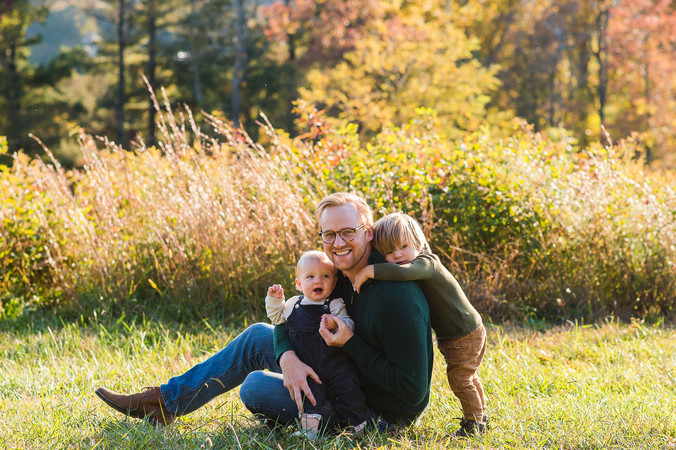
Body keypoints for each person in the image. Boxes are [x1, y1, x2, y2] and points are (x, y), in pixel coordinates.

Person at [95, 192, 433, 435]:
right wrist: (288, 357)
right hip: (336, 373)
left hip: (376, 414)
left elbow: (413, 394)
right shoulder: (341, 276)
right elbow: (293, 317)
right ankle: (163, 404)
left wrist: (350, 344)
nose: (338, 243)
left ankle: (324, 419)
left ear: (368, 232)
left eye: (348, 232)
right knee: (259, 335)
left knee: (255, 387)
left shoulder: (394, 296)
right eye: (329, 234)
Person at [352, 212, 487, 437]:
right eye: (388, 252)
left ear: (418, 242)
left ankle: (474, 424)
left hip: (463, 333)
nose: (397, 255)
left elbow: (404, 272)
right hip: (462, 331)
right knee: (468, 377)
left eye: (403, 246)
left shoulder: (427, 263)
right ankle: (480, 416)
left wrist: (369, 270)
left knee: (460, 379)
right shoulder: (417, 260)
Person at [265, 250, 368, 438]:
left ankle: (358, 429)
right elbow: (276, 317)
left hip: (337, 366)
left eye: (325, 276)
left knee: (348, 393)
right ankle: (309, 432)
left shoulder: (335, 304)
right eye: (310, 277)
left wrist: (337, 323)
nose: (318, 281)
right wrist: (275, 300)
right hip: (308, 368)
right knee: (310, 398)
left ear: (334, 283)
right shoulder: (292, 305)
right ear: (299, 284)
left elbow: (349, 325)